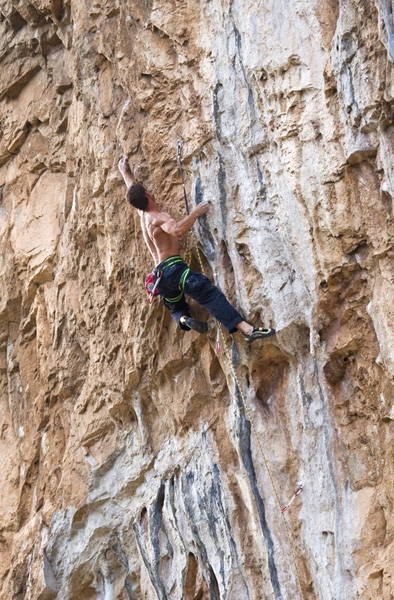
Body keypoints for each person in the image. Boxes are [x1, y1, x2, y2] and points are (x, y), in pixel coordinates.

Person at [118, 157, 275, 342]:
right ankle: (248, 330)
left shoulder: (143, 217)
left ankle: (185, 319)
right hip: (174, 269)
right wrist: (196, 213)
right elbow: (176, 230)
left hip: (160, 277)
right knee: (208, 293)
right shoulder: (157, 218)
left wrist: (124, 172)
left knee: (176, 308)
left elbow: (134, 192)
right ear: (149, 194)